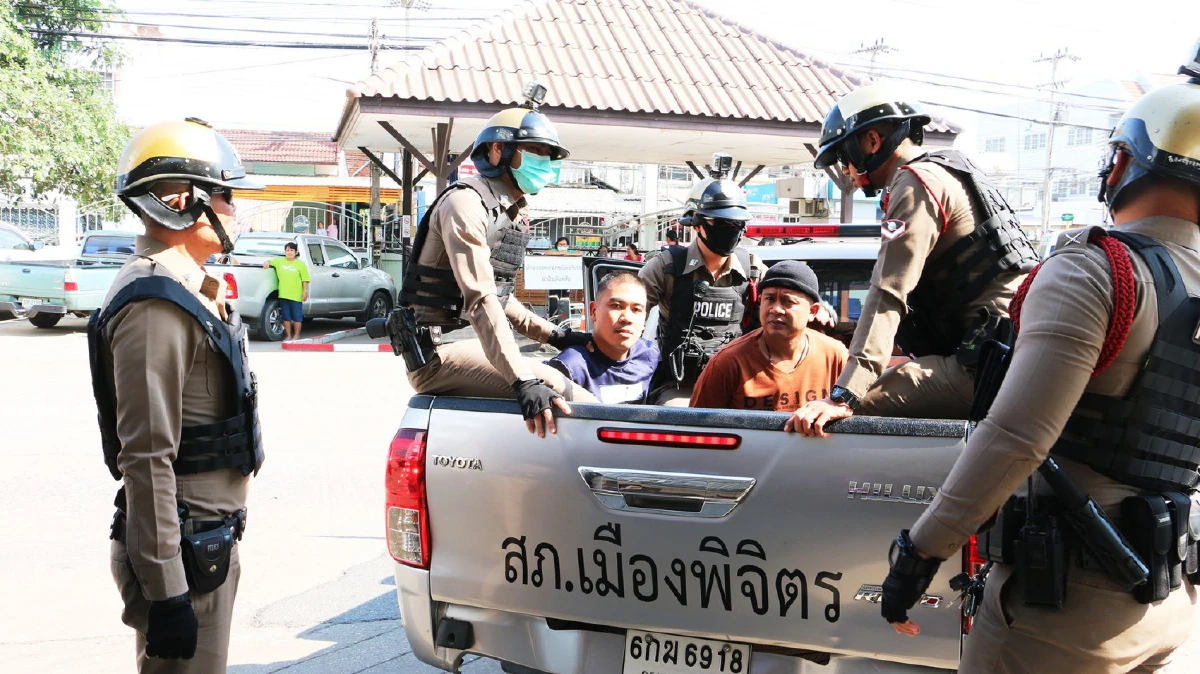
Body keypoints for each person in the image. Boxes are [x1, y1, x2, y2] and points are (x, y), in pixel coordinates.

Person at [878, 54, 1200, 673]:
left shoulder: (1097, 269)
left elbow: (1016, 438)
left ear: (1127, 161)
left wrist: (919, 554)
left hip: (1065, 615)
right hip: (1168, 607)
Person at [88, 118, 265, 672]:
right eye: (225, 195)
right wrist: (167, 592)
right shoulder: (156, 303)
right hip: (185, 554)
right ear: (181, 201)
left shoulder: (188, 286)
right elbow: (145, 455)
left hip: (204, 540)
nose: (235, 209)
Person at [791, 82, 1039, 435]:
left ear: (873, 141)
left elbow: (888, 290)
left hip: (987, 363)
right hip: (1011, 350)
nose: (846, 170)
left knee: (851, 413)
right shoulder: (954, 170)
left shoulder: (914, 182)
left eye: (845, 156)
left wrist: (845, 394)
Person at [395, 82, 597, 437]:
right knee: (564, 392)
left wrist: (557, 336)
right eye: (534, 151)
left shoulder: (510, 210)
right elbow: (481, 299)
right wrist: (522, 381)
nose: (545, 162)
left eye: (548, 155)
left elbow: (501, 296)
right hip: (437, 353)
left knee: (560, 374)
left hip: (465, 344)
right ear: (497, 151)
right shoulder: (466, 204)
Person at [638, 153, 767, 406]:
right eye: (721, 223)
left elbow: (783, 310)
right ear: (696, 224)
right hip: (681, 386)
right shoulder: (666, 267)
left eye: (736, 224)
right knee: (681, 420)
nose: (730, 230)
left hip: (740, 383)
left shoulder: (753, 268)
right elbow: (630, 314)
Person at [692, 261, 846, 412]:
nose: (776, 309)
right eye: (769, 299)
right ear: (760, 302)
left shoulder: (835, 356)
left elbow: (857, 413)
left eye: (788, 301)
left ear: (812, 311)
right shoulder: (728, 362)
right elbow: (696, 426)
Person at [547, 272, 658, 404]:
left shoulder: (650, 356)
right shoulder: (571, 367)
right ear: (594, 311)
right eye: (617, 306)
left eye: (636, 309)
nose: (627, 318)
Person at [262, 242, 310, 341]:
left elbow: (305, 279)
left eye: (292, 250)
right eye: (287, 250)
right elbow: (270, 261)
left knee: (297, 317)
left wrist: (305, 291)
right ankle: (288, 335)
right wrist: (267, 262)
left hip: (296, 296)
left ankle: (296, 335)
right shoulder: (280, 261)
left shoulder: (300, 264)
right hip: (283, 295)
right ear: (285, 252)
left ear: (295, 252)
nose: (289, 252)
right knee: (286, 317)